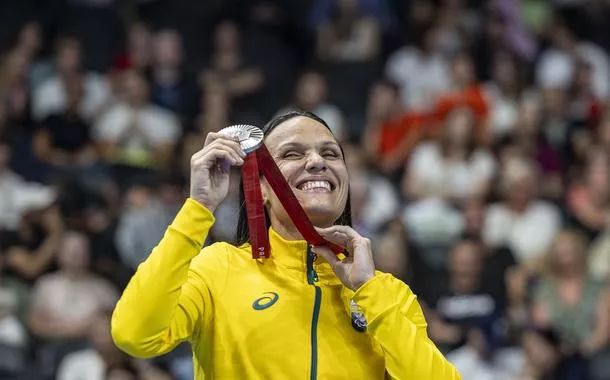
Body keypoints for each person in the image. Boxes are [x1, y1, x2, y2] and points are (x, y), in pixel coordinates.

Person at [111, 111, 461, 379]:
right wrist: (198, 209)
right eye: (293, 153)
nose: (317, 161)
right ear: (260, 187)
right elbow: (135, 334)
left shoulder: (387, 294)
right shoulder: (219, 269)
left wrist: (368, 291)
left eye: (331, 153)